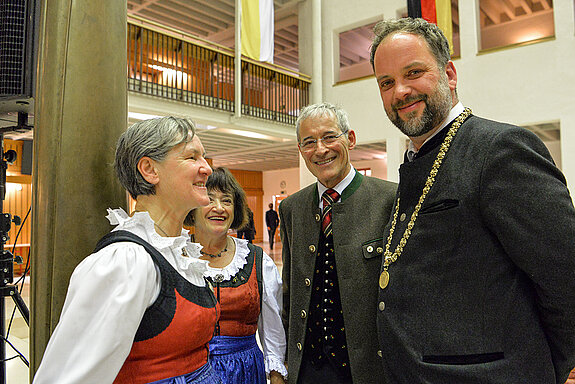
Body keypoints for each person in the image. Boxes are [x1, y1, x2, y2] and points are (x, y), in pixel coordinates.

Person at [370, 17, 575, 384]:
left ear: (449, 74)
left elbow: (565, 275)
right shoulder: (415, 160)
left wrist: (547, 370)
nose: (400, 91)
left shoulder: (499, 150)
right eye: (386, 82)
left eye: (413, 72)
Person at [33, 117, 222, 384]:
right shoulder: (126, 261)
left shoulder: (178, 252)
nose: (207, 168)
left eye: (204, 157)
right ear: (149, 169)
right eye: (192, 157)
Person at [279, 102, 397, 383]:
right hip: (309, 368)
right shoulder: (291, 208)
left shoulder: (389, 200)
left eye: (330, 137)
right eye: (309, 142)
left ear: (350, 139)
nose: (320, 149)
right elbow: (290, 290)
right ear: (300, 150)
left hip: (368, 370)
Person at [185, 167, 287, 384]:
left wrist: (277, 376)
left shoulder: (257, 260)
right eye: (209, 199)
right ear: (192, 207)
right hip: (190, 372)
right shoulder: (175, 258)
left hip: (246, 371)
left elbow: (272, 330)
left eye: (227, 201)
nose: (219, 208)